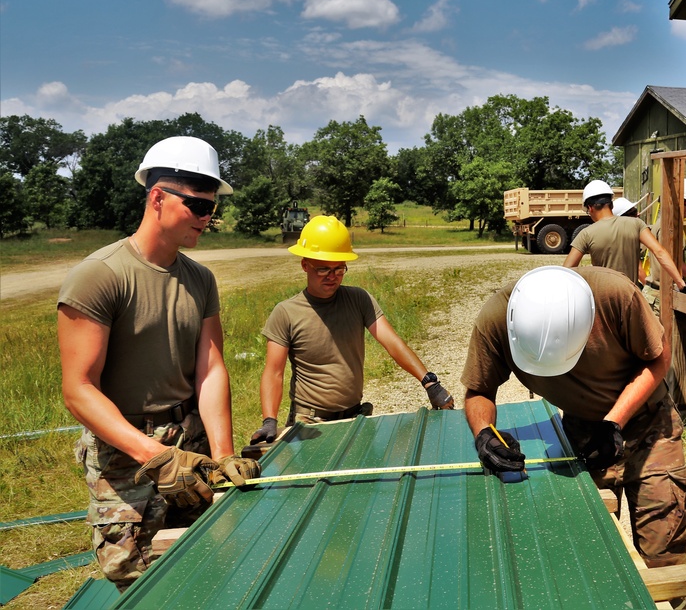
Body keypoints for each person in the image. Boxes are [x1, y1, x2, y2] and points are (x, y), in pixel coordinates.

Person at [57, 136, 261, 590]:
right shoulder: (100, 275)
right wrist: (157, 458)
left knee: (212, 553)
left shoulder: (201, 279)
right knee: (136, 577)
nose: (208, 218)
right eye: (197, 206)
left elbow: (210, 367)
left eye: (212, 208)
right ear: (157, 197)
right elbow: (79, 388)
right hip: (125, 451)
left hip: (191, 439)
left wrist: (223, 453)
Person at [462, 265, 686, 567]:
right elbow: (479, 390)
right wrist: (484, 432)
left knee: (664, 547)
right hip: (582, 432)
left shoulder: (615, 294)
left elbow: (659, 357)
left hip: (648, 425)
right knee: (588, 550)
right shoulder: (496, 319)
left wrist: (615, 421)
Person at [249, 215, 455, 445]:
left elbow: (391, 342)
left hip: (355, 415)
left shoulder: (359, 299)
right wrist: (269, 420)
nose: (332, 277)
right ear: (304, 265)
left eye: (339, 269)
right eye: (323, 269)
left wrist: (430, 383)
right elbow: (273, 372)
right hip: (310, 422)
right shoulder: (286, 312)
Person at [564, 179, 685, 291]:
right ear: (611, 204)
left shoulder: (586, 234)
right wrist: (681, 284)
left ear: (590, 208)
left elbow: (567, 270)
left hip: (604, 299)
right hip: (630, 296)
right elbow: (660, 252)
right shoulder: (637, 224)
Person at [644, 178, 686, 316]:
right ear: (675, 201)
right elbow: (673, 262)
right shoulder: (668, 228)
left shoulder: (670, 224)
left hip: (662, 293)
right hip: (659, 294)